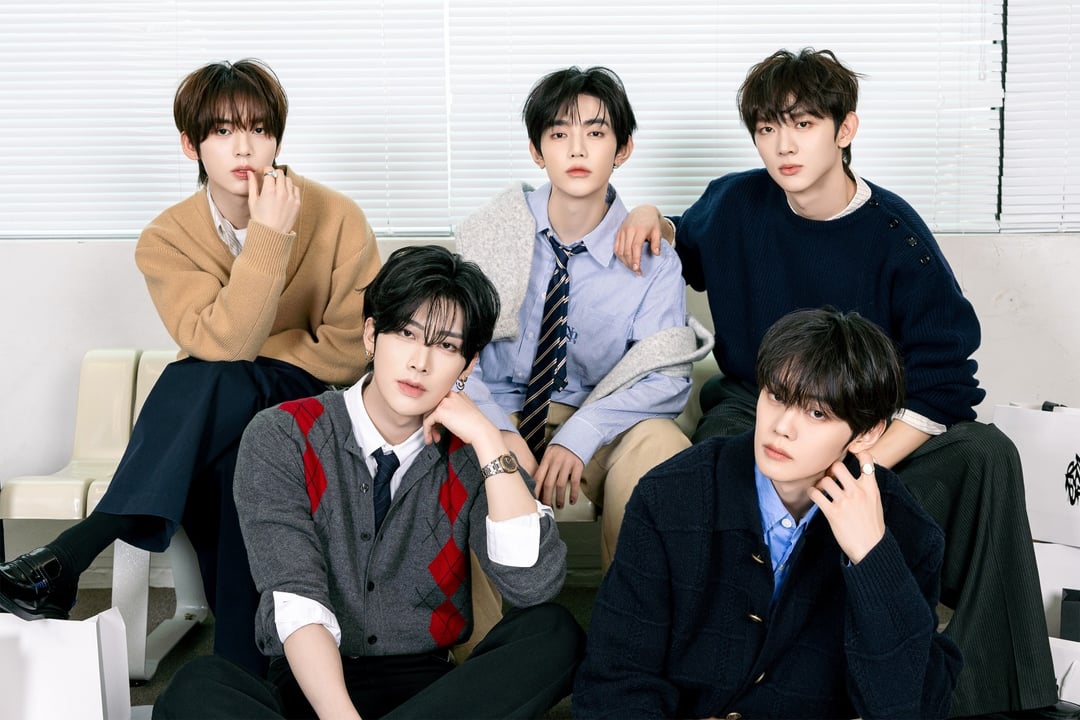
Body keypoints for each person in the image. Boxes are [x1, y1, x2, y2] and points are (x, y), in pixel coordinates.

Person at [613, 48, 1070, 719]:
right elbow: (685, 243)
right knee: (723, 468)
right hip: (759, 408)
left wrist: (854, 466)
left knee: (989, 456)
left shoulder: (897, 237)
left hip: (863, 428)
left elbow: (945, 382)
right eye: (767, 128)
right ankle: (729, 681)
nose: (783, 145)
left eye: (802, 124)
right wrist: (653, 215)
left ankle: (992, 695)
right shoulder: (737, 202)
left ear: (845, 129)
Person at [0, 58, 381, 675]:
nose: (244, 147)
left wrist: (269, 253)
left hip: (312, 404)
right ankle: (244, 667)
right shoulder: (167, 238)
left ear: (277, 139)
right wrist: (265, 298)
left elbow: (349, 349)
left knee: (206, 375)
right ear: (190, 144)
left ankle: (73, 552)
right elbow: (222, 342)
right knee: (234, 457)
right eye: (223, 131)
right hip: (229, 418)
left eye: (259, 129)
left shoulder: (337, 217)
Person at [151, 244, 583, 720]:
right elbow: (295, 596)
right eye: (406, 333)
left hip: (430, 694)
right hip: (310, 686)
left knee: (553, 632)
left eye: (446, 346)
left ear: (468, 366)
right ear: (372, 335)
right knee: (197, 686)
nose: (420, 362)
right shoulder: (283, 434)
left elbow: (531, 585)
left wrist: (487, 438)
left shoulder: (472, 453)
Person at [574, 307, 963, 719]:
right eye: (777, 396)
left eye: (817, 413)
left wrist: (873, 559)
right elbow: (617, 680)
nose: (782, 427)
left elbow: (909, 705)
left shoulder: (906, 528)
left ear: (866, 433)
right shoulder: (671, 496)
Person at [456, 65, 713, 570]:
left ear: (623, 149)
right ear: (537, 151)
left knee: (663, 451)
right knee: (457, 453)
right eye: (559, 135)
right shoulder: (489, 232)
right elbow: (455, 356)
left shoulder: (654, 259)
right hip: (499, 410)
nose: (577, 150)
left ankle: (629, 619)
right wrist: (499, 435)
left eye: (595, 134)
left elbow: (666, 377)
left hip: (598, 417)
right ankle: (480, 626)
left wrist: (583, 431)